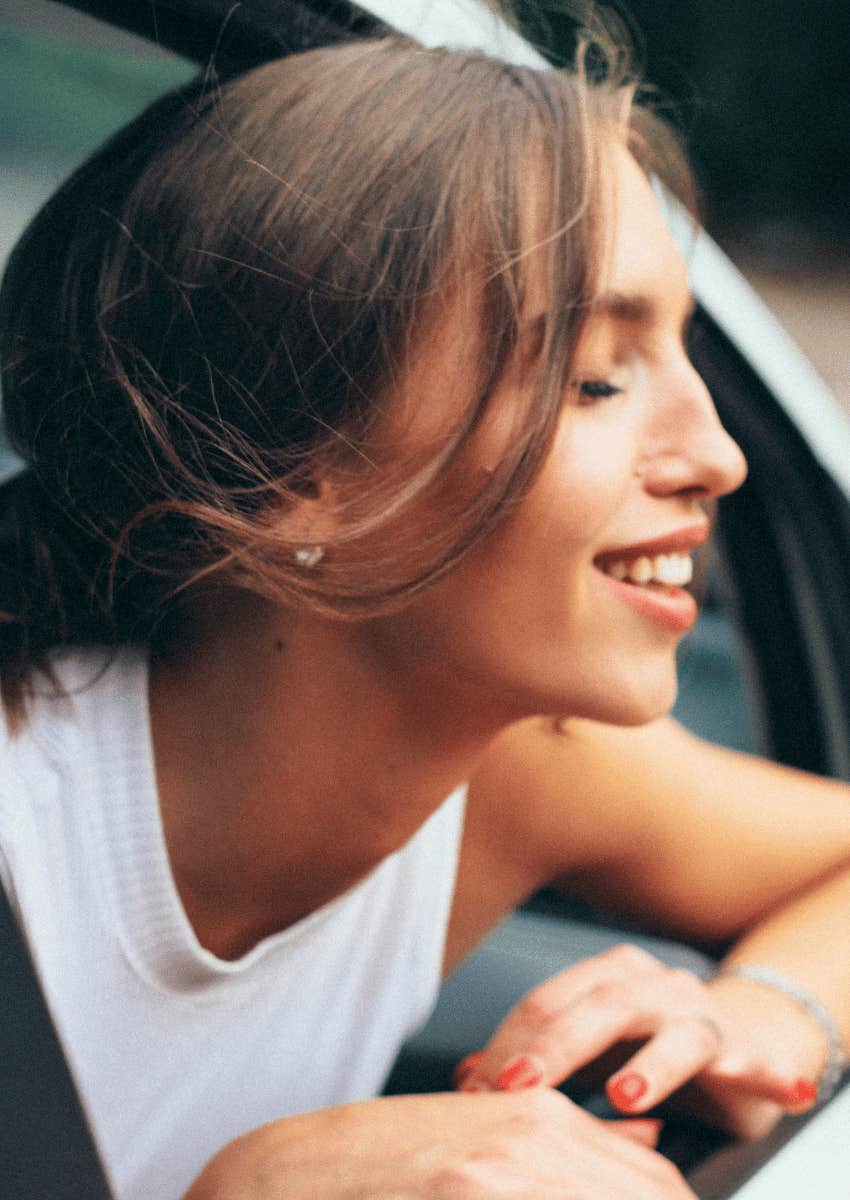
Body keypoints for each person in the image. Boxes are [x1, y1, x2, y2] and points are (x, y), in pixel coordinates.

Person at [0, 26, 848, 1200]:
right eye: (596, 379)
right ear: (296, 470)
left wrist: (769, 1009)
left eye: (680, 359)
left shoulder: (515, 771)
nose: (715, 456)